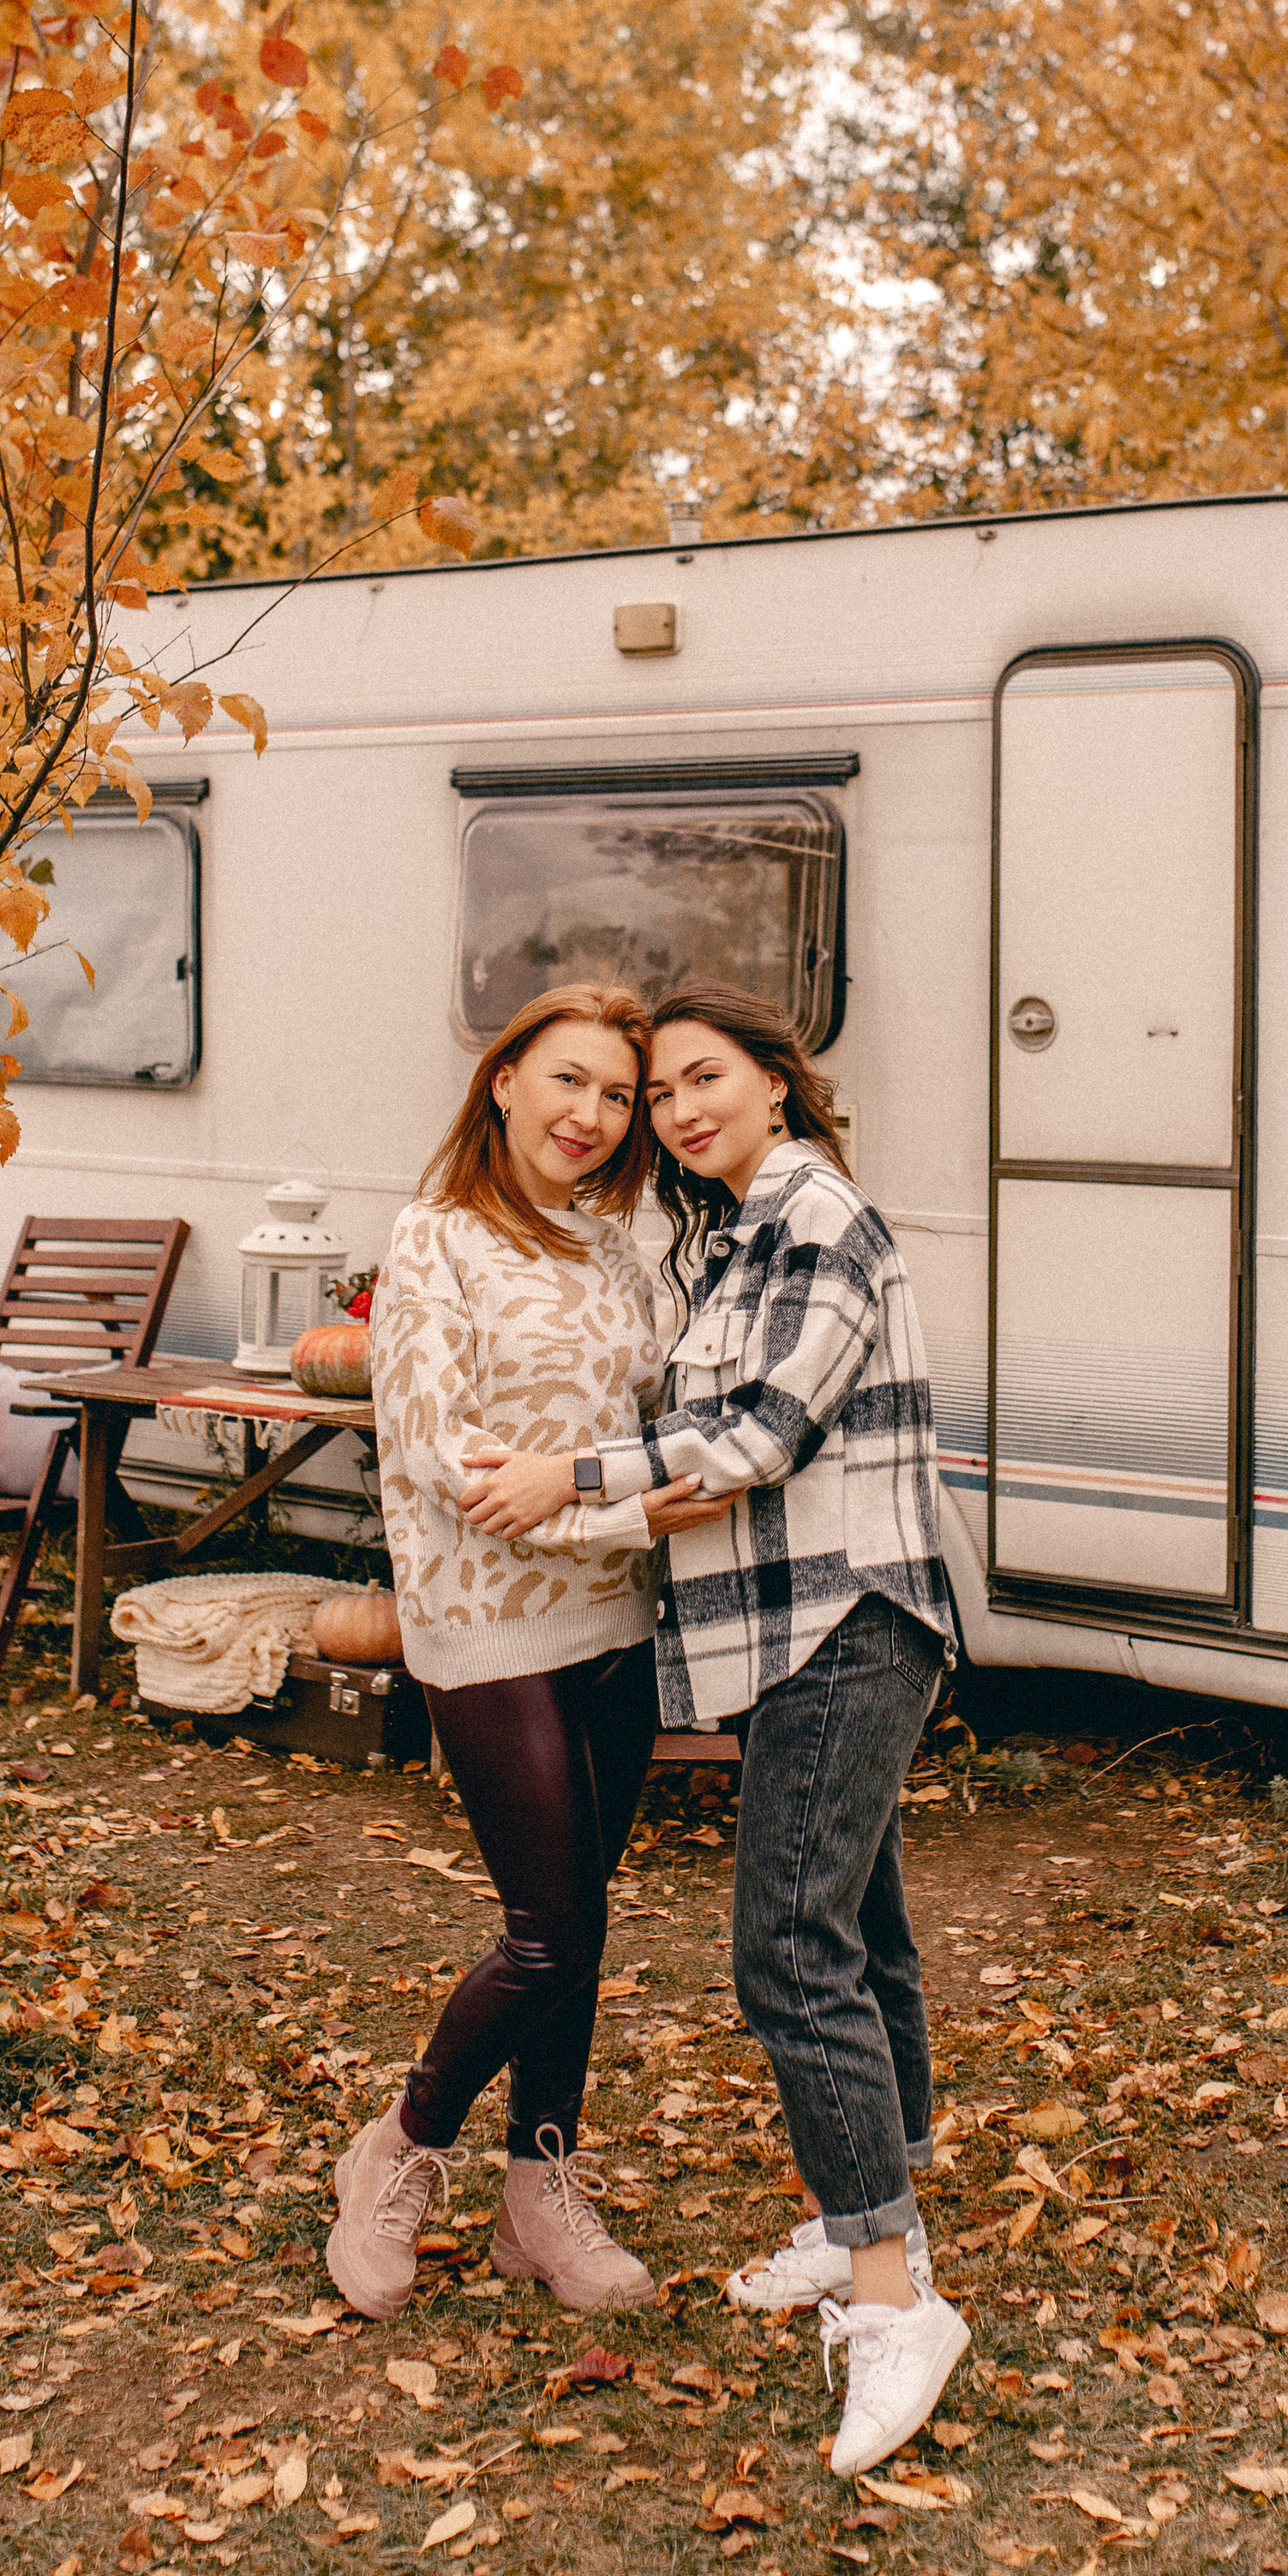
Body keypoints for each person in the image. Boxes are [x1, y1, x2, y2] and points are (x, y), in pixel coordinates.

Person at [462, 982, 970, 2476]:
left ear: (777, 1081)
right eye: (661, 1092)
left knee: (789, 1950)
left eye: (705, 1078)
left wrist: (571, 1475)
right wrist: (647, 1484)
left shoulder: (817, 1216)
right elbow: (736, 1440)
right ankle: (874, 2216)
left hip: (847, 1622)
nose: (678, 1112)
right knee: (860, 1929)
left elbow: (762, 1431)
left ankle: (894, 2306)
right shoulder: (744, 1227)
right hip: (806, 1625)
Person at [328, 983, 705, 2323]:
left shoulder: (621, 1246)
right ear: (504, 1082)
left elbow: (658, 1411)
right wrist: (625, 1507)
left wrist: (649, 1495)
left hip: (615, 1617)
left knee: (580, 1923)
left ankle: (540, 2193)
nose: (591, 1115)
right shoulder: (436, 1237)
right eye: (568, 1081)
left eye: (618, 1095)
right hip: (484, 1616)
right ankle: (400, 2147)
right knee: (551, 1934)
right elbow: (446, 1452)